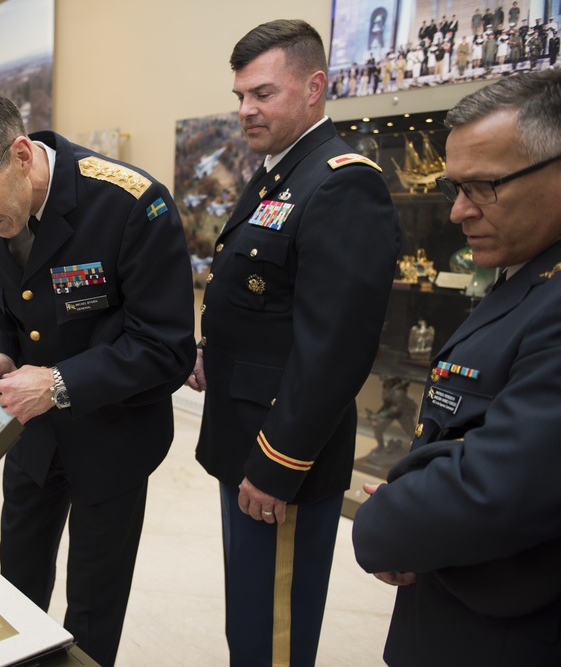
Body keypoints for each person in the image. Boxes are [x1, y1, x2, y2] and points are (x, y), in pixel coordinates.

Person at [0, 78, 195, 667]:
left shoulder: (129, 204)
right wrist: (0, 353)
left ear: (19, 155)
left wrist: (59, 383)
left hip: (113, 435)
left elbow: (166, 347)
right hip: (33, 436)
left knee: (92, 605)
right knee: (17, 579)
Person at [187, 19, 400, 667]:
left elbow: (334, 344)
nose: (246, 109)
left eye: (263, 93)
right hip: (244, 433)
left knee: (271, 630)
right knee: (248, 616)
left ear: (314, 87)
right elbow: (263, 298)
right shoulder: (280, 173)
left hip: (283, 452)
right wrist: (209, 347)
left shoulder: (340, 182)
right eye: (241, 96)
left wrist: (278, 461)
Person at [352, 69, 561, 666]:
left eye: (483, 187)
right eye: (453, 189)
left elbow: (502, 486)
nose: (458, 213)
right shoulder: (528, 271)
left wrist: (386, 521)